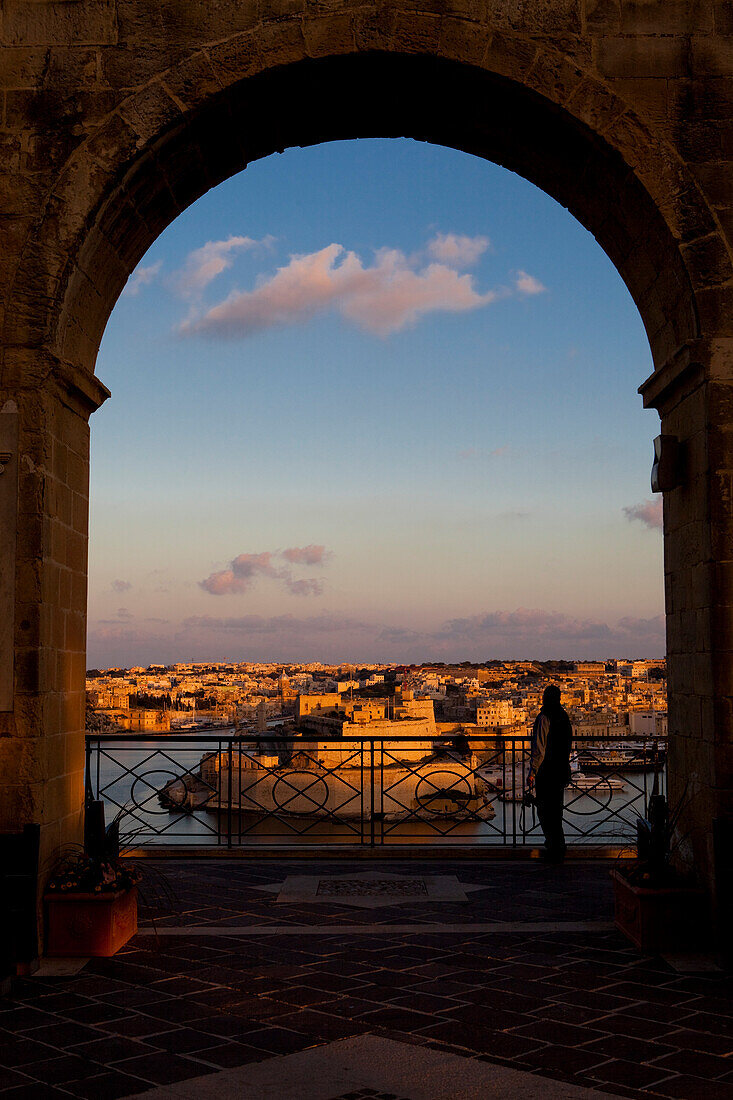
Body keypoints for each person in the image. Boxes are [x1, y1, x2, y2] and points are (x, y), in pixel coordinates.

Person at [527, 685, 572, 862]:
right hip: (561, 769)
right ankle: (558, 847)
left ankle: (554, 846)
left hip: (546, 771)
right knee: (556, 811)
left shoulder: (545, 717)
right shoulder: (564, 716)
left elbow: (540, 748)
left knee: (545, 811)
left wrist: (533, 771)